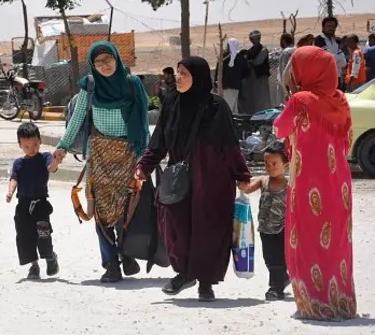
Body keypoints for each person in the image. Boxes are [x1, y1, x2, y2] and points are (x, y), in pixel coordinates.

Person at [135, 56, 251, 302]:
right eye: (177, 72)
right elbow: (159, 141)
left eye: (184, 73)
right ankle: (184, 273)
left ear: (197, 77)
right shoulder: (171, 103)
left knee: (209, 230)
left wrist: (241, 174)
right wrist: (143, 167)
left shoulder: (216, 107)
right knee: (175, 226)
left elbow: (230, 145)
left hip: (212, 180)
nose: (178, 77)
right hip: (179, 179)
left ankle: (206, 282)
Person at [53, 41, 150, 283]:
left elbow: (143, 123)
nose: (104, 65)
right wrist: (63, 146)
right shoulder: (90, 86)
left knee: (126, 207)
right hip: (99, 154)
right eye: (98, 62)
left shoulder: (132, 84)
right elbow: (77, 118)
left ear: (117, 58)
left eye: (108, 59)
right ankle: (111, 264)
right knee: (101, 210)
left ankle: (126, 253)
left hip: (128, 153)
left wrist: (144, 159)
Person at [274, 46, 356, 320]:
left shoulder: (301, 99)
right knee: (337, 242)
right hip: (339, 182)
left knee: (307, 239)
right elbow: (347, 140)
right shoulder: (341, 100)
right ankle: (340, 302)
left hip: (308, 180)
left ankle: (314, 304)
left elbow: (279, 129)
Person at [6, 122, 60, 279]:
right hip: (23, 205)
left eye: (35, 145)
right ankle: (33, 265)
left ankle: (50, 256)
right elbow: (14, 178)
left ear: (40, 141)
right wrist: (10, 192)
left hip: (40, 204)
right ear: (20, 145)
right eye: (27, 146)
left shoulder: (45, 157)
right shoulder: (18, 163)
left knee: (43, 232)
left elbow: (52, 168)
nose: (32, 149)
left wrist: (56, 161)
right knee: (24, 235)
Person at [239, 144, 290, 301]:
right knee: (268, 258)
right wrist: (240, 181)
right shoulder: (263, 180)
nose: (270, 167)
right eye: (267, 163)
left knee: (279, 259)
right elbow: (247, 188)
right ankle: (282, 279)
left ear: (286, 165)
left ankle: (275, 288)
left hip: (283, 228)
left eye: (274, 164)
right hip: (265, 228)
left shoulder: (290, 185)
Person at [216, 37, 248, 113]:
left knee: (228, 107)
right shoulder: (241, 58)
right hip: (236, 86)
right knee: (234, 107)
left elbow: (219, 71)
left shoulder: (225, 58)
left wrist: (216, 84)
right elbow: (246, 73)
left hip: (226, 86)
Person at [314, 17, 346, 89]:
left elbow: (343, 62)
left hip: (337, 77)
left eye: (333, 26)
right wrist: (337, 58)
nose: (331, 28)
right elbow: (326, 58)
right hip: (324, 78)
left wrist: (334, 58)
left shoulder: (336, 41)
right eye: (328, 26)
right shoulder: (319, 40)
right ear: (323, 28)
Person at [245, 30, 272, 113]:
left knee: (263, 98)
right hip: (252, 78)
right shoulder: (250, 51)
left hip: (261, 77)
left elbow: (258, 62)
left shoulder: (263, 50)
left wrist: (250, 62)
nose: (254, 40)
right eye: (253, 38)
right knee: (255, 98)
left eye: (256, 38)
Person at [277, 33, 295, 101]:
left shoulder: (285, 52)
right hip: (295, 84)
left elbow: (284, 71)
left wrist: (285, 91)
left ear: (283, 41)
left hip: (285, 86)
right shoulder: (296, 49)